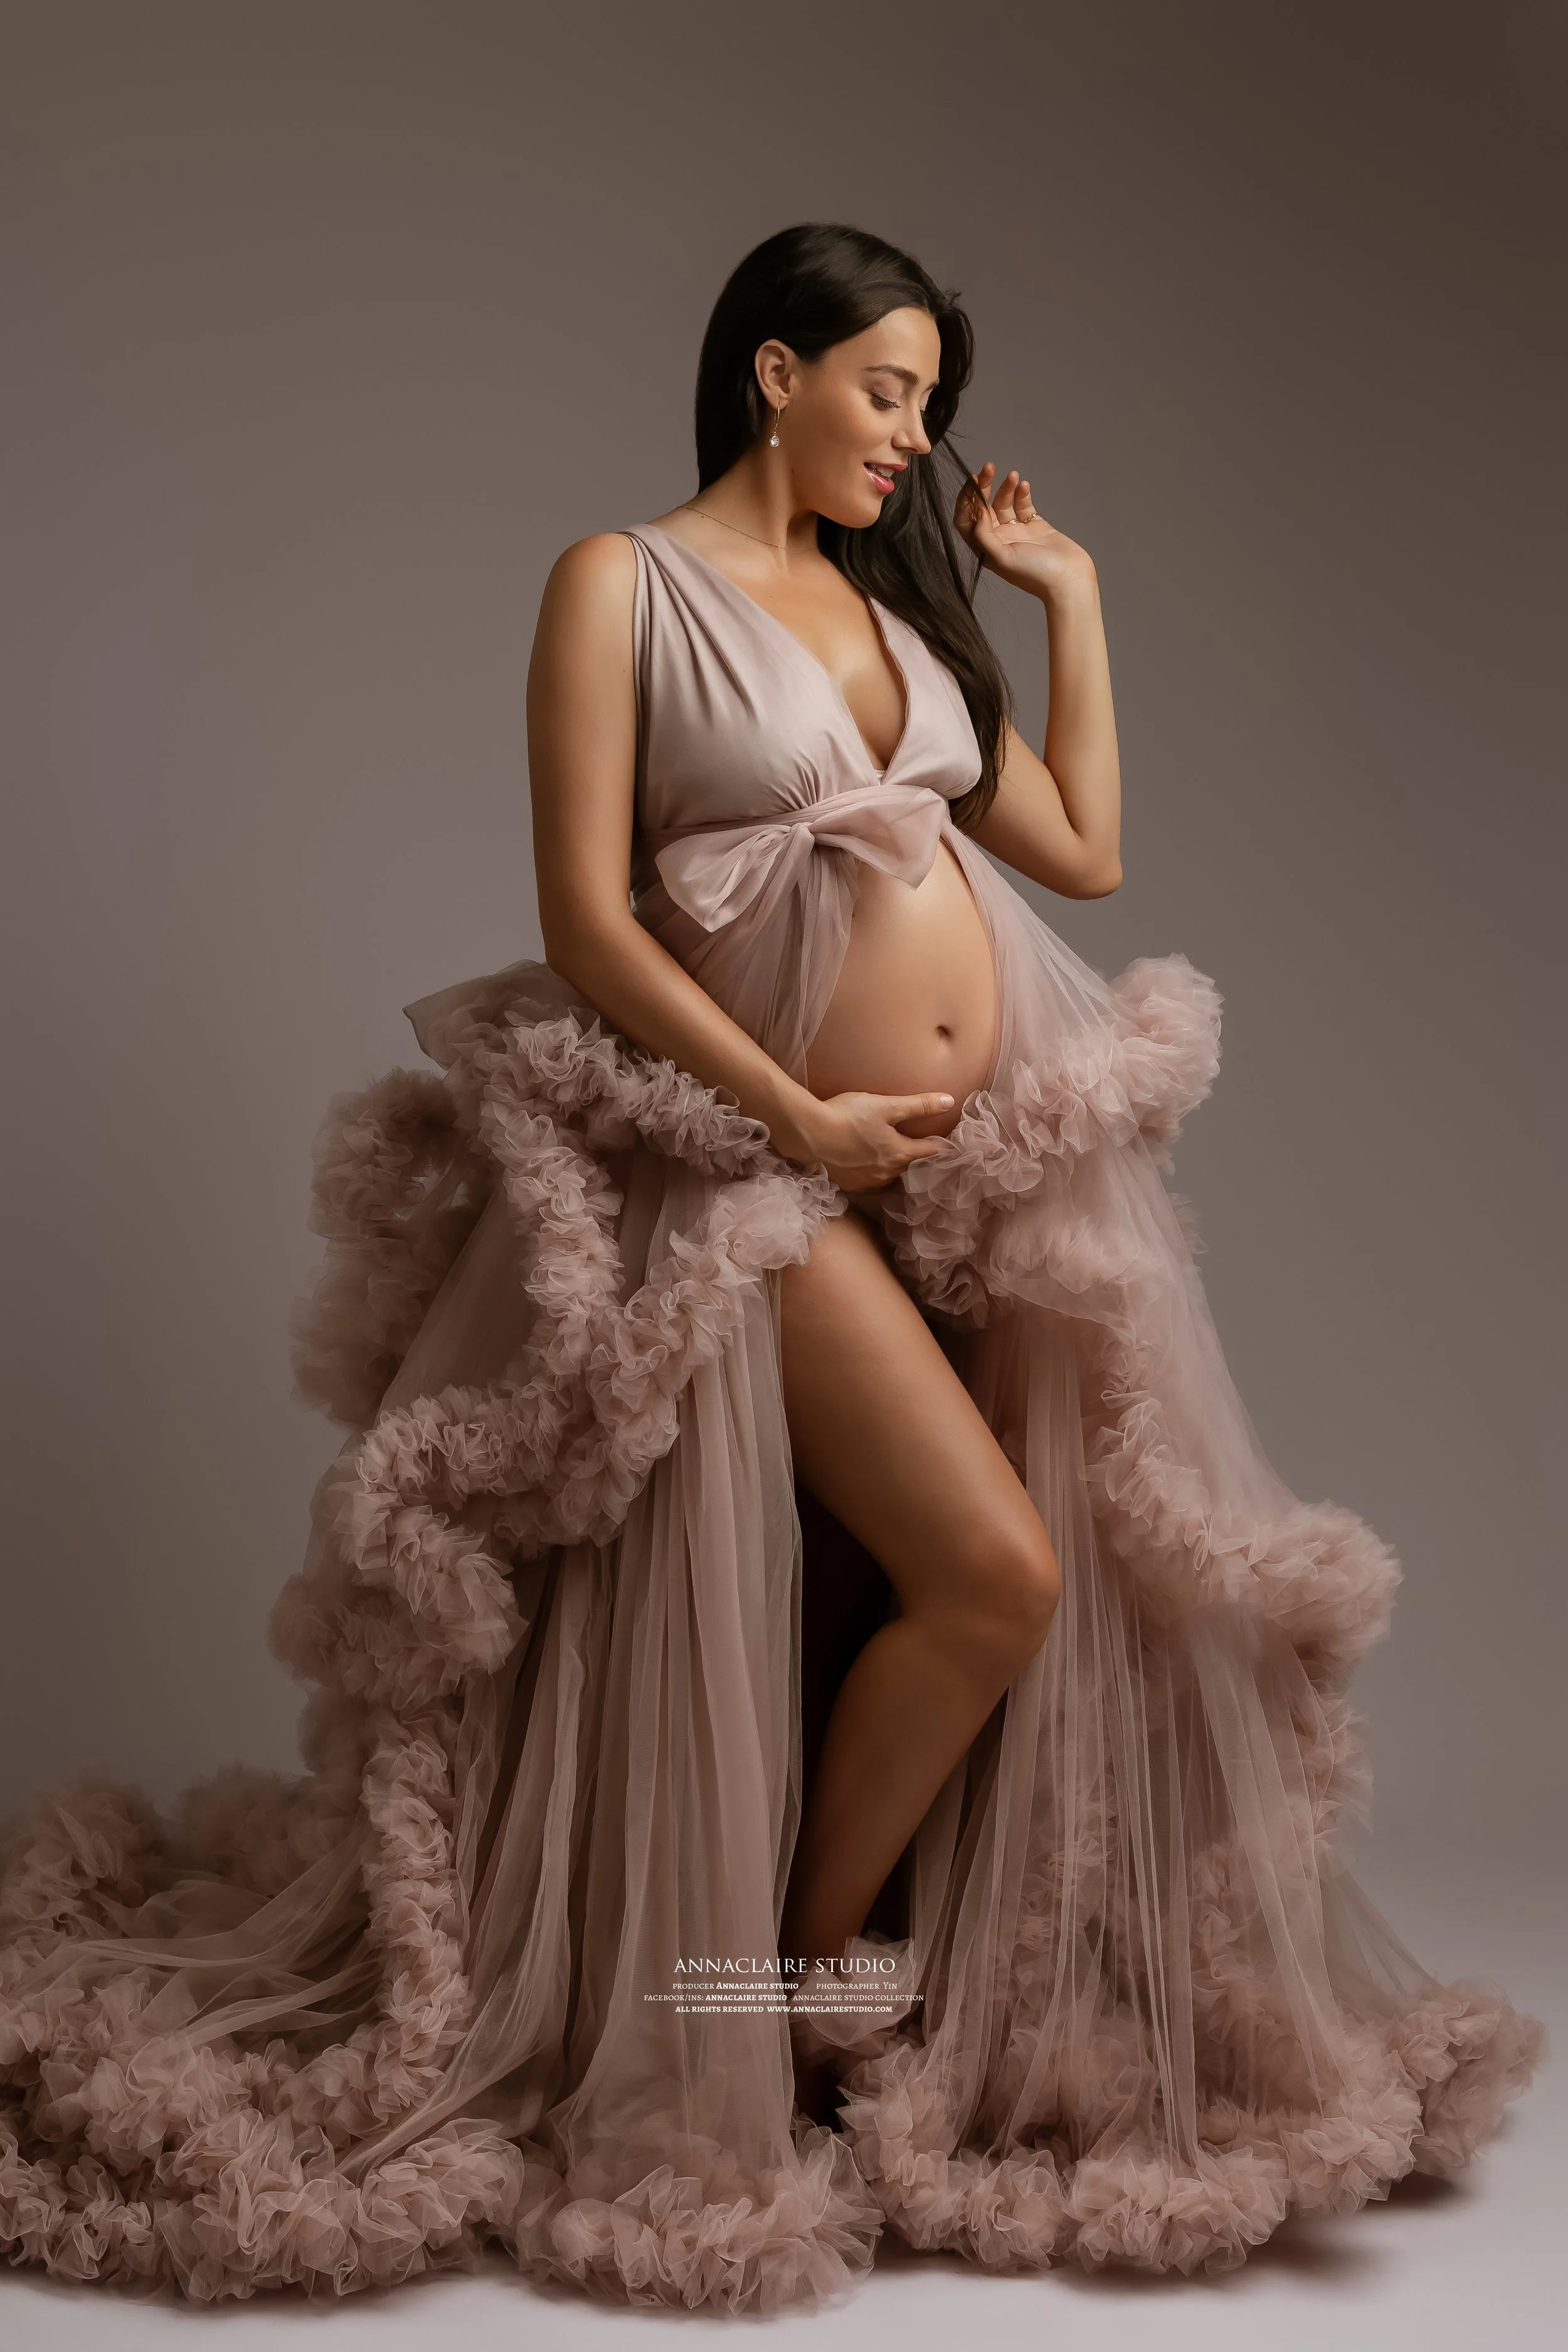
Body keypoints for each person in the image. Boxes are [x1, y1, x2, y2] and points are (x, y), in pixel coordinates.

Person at [0, 223, 1541, 2313]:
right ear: (772, 372)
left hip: (928, 1177)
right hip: (726, 1169)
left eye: (926, 399)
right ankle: (782, 1989)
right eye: (886, 389)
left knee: (911, 1594)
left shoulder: (893, 608)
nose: (913, 437)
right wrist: (793, 1119)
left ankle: (795, 1977)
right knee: (989, 1574)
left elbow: (1077, 850)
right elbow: (587, 919)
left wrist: (1064, 602)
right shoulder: (620, 585)